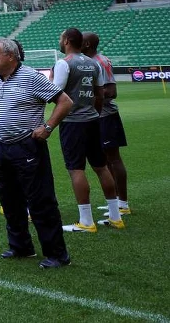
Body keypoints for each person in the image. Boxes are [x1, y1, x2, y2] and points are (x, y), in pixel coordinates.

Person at [0, 37, 74, 269]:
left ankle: (57, 254)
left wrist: (48, 127)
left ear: (11, 56)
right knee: (9, 199)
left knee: (40, 200)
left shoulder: (32, 77)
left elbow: (64, 102)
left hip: (27, 146)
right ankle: (20, 246)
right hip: (1, 146)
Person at [52, 28, 123, 232]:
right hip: (93, 119)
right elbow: (100, 95)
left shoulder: (63, 63)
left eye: (60, 38)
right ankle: (116, 216)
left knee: (76, 168)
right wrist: (94, 113)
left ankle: (86, 220)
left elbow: (56, 94)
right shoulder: (93, 63)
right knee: (101, 166)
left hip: (73, 122)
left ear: (66, 40)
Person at [82, 31, 131, 218]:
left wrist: (91, 96)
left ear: (86, 44)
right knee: (105, 159)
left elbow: (112, 91)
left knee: (114, 158)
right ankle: (116, 201)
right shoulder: (93, 61)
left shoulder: (100, 61)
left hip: (106, 115)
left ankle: (123, 203)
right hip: (98, 116)